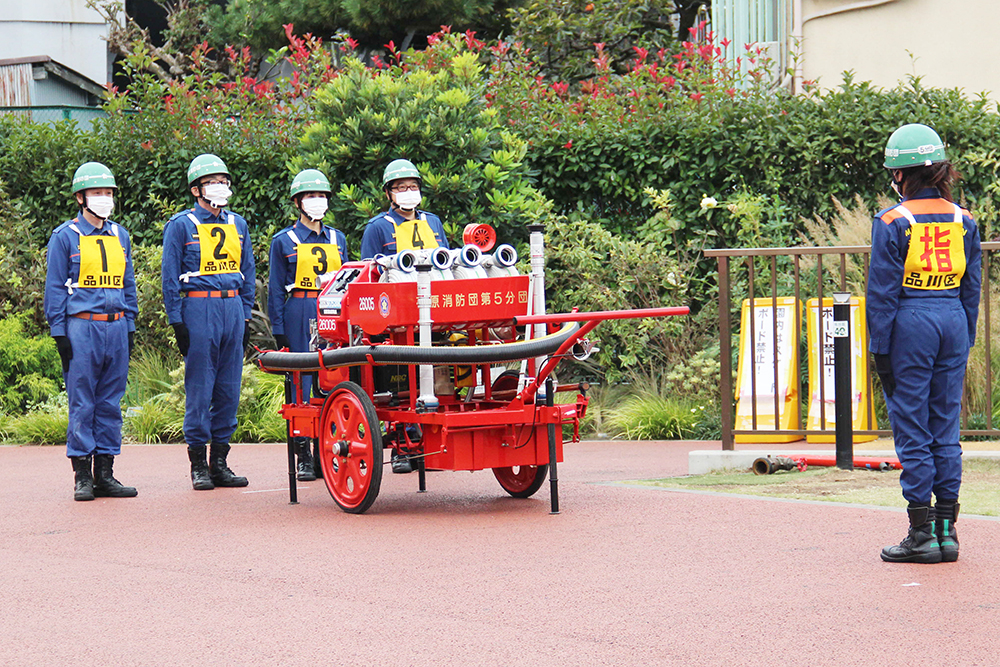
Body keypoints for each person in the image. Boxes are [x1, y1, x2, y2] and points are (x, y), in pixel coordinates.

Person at [867, 123, 981, 563]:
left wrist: (881, 351)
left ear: (900, 174)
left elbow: (882, 293)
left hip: (910, 324)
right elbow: (971, 287)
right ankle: (947, 531)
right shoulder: (964, 219)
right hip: (952, 319)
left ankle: (920, 533)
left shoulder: (893, 221)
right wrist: (965, 336)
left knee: (911, 425)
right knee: (944, 427)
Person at [44, 162, 139, 501]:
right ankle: (82, 475)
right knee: (82, 401)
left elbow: (128, 284)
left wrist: (130, 323)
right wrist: (59, 332)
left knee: (111, 402)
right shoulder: (65, 236)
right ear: (81, 197)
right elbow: (55, 287)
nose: (105, 198)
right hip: (82, 326)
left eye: (109, 192)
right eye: (98, 192)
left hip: (115, 326)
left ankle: (106, 474)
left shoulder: (120, 235)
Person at [161, 154, 256, 491]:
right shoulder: (181, 225)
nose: (220, 187)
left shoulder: (238, 224)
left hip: (231, 308)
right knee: (200, 388)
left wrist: (245, 315)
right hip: (199, 308)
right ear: (196, 189)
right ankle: (198, 464)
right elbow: (169, 277)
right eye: (212, 181)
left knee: (230, 388)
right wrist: (177, 321)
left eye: (223, 181)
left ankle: (220, 461)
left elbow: (248, 272)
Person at [268, 169, 348, 480]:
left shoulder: (337, 238)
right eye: (311, 196)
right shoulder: (283, 240)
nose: (318, 201)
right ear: (298, 202)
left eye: (322, 196)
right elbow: (275, 288)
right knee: (300, 382)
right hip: (299, 306)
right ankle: (302, 453)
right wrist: (278, 328)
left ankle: (327, 450)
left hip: (331, 307)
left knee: (331, 379)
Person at [359, 159, 450, 259]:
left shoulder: (433, 221)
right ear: (387, 193)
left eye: (414, 186)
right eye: (401, 187)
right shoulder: (377, 227)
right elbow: (369, 270)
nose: (409, 191)